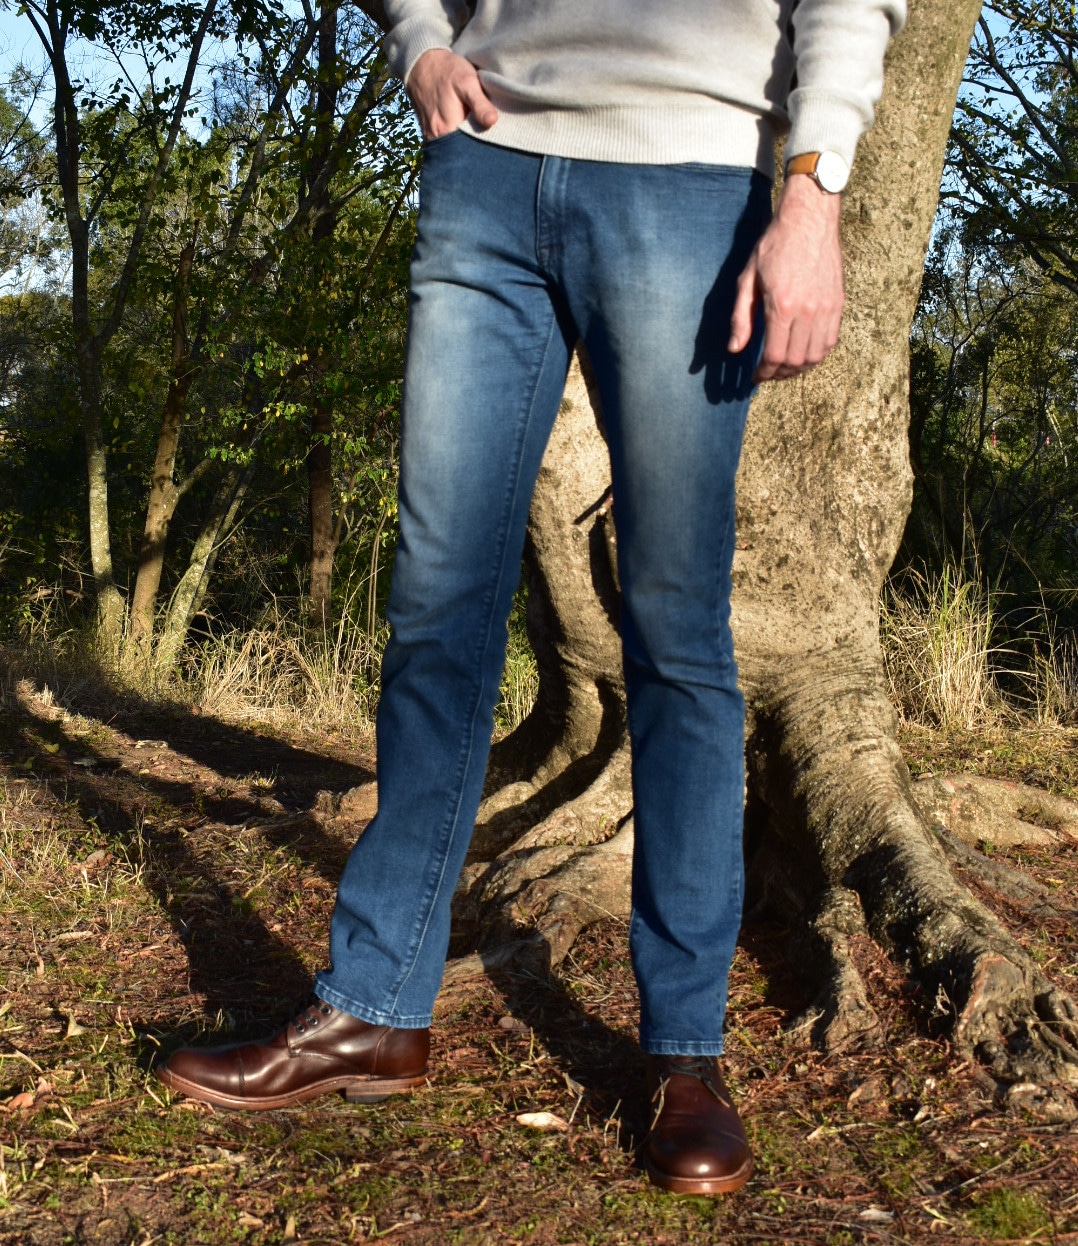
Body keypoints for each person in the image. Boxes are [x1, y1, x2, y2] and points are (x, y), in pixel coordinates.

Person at [158, 0, 906, 1195]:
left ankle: (684, 1052)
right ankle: (374, 1008)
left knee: (675, 629)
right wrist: (418, 42)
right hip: (487, 171)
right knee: (436, 612)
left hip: (689, 180)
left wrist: (812, 193)